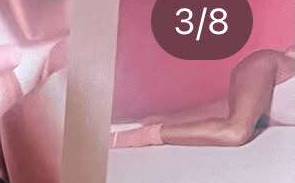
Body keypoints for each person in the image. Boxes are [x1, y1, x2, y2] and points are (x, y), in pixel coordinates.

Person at [113, 45, 295, 148]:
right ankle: (126, 138)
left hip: (269, 102)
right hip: (272, 69)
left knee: (158, 119)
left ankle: (132, 126)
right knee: (235, 133)